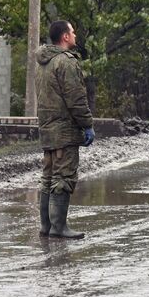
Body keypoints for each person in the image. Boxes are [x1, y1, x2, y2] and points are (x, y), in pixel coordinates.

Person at [35, 19, 95, 240]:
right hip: (64, 130)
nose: (75, 35)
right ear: (65, 37)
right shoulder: (66, 62)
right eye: (73, 31)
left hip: (47, 129)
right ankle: (59, 227)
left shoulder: (42, 62)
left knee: (48, 177)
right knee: (63, 178)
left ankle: (46, 226)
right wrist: (87, 125)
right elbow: (76, 99)